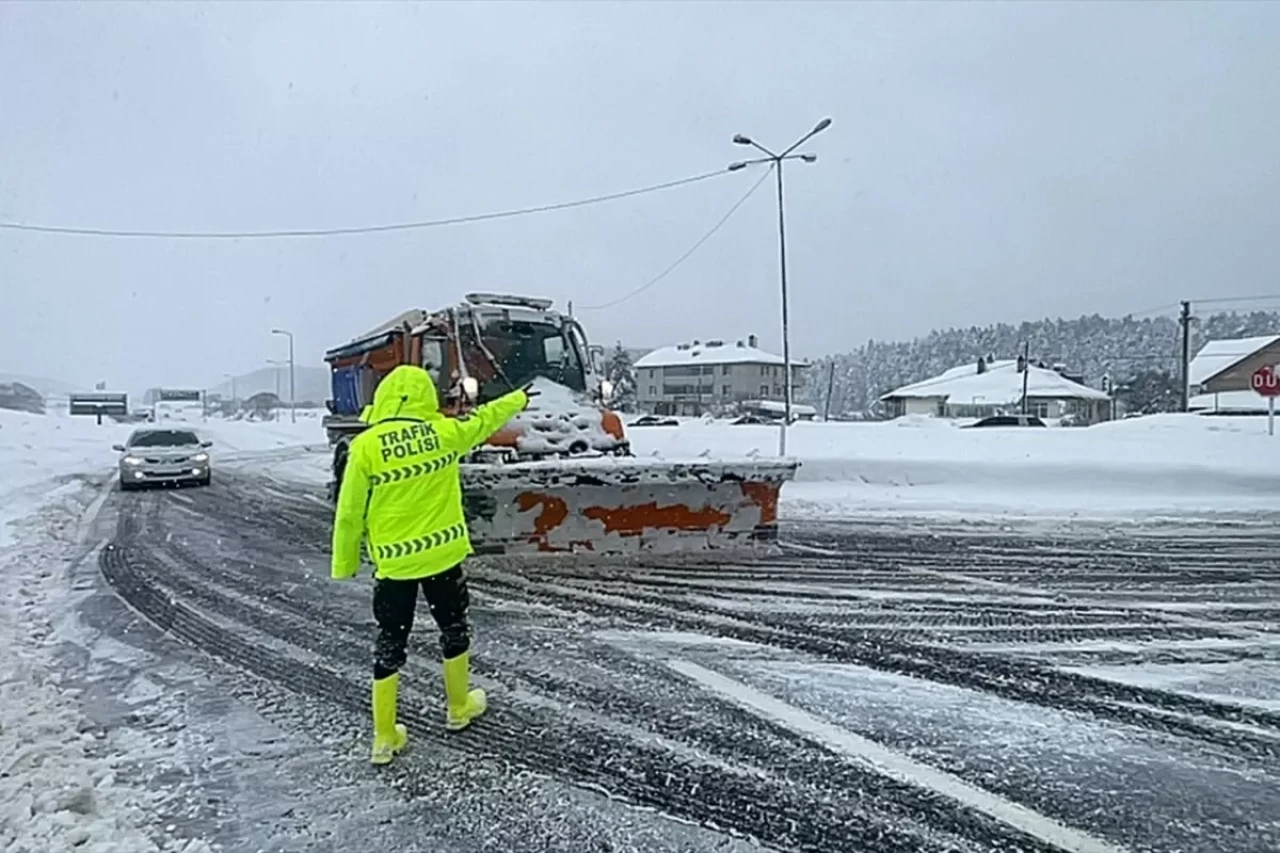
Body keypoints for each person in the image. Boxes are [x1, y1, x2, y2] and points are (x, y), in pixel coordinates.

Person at [330, 364, 532, 765]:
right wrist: (519, 398)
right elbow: (485, 418)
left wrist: (345, 563)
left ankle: (384, 737)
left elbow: (349, 512)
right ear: (426, 397)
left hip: (395, 566)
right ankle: (458, 708)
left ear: (385, 398)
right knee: (453, 628)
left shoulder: (365, 447)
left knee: (391, 641)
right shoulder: (445, 434)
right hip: (443, 557)